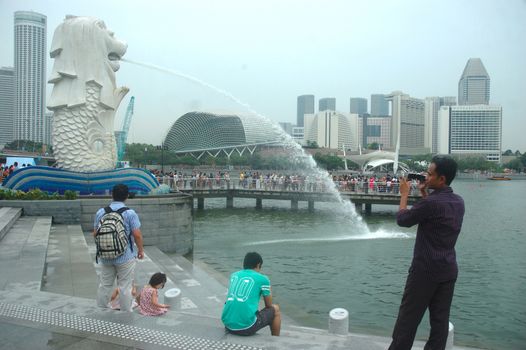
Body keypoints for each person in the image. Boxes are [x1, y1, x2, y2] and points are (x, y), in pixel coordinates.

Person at [389, 155, 465, 350]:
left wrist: (404, 194)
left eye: (430, 174)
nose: (425, 177)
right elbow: (436, 217)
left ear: (442, 179)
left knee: (407, 321)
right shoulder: (458, 202)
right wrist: (425, 194)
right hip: (447, 270)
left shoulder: (430, 203)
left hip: (424, 271)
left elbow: (403, 220)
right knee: (439, 323)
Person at [93, 184, 144, 312]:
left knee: (104, 285)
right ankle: (126, 314)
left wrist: (105, 247)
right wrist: (140, 251)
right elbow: (137, 235)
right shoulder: (129, 213)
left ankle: (101, 310)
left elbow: (95, 233)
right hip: (125, 256)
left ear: (112, 195)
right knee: (125, 286)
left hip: (105, 256)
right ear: (127, 196)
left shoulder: (101, 212)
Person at [221, 252, 281, 336]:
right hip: (246, 327)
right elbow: (269, 304)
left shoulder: (234, 275)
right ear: (258, 264)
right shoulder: (263, 279)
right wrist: (269, 288)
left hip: (227, 324)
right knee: (275, 309)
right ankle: (276, 340)